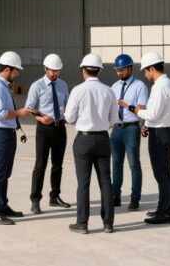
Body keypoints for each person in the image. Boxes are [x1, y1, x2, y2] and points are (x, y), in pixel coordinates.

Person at [63, 53, 117, 234]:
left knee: (83, 183)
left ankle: (82, 223)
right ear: (99, 70)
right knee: (106, 181)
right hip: (103, 139)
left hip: (84, 140)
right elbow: (114, 119)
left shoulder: (78, 90)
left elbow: (69, 117)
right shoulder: (109, 91)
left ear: (83, 70)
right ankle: (108, 223)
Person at [129, 51, 170, 224]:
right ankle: (164, 208)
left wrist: (136, 110)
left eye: (145, 70)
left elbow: (153, 113)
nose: (145, 74)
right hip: (163, 131)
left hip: (160, 135)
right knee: (164, 173)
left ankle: (166, 213)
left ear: (151, 69)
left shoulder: (160, 86)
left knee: (163, 174)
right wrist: (147, 126)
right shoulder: (168, 83)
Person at [0, 51, 32, 225]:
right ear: (7, 69)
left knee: (5, 173)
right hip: (1, 135)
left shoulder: (2, 86)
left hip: (7, 134)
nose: (17, 74)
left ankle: (2, 206)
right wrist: (19, 113)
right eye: (16, 71)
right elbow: (0, 114)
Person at [24, 53, 72, 214]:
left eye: (57, 71)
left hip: (60, 128)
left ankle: (54, 197)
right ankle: (35, 200)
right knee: (40, 165)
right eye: (52, 70)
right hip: (44, 129)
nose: (54, 74)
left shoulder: (63, 85)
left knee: (57, 165)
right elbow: (30, 107)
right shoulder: (36, 86)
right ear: (45, 69)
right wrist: (40, 118)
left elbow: (67, 105)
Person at [110, 53, 149, 211]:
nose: (119, 72)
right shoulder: (114, 87)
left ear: (130, 68)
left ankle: (135, 198)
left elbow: (142, 108)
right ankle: (115, 196)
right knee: (116, 164)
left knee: (134, 165)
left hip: (131, 128)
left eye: (122, 69)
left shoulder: (139, 86)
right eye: (117, 70)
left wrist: (127, 106)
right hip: (116, 129)